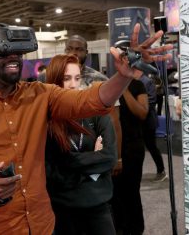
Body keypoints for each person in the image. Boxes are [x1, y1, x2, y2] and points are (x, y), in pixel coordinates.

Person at [0, 22, 172, 234]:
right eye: (1, 52)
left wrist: (124, 74)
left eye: (17, 52)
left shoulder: (40, 94)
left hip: (41, 225)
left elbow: (91, 100)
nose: (13, 58)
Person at [45, 54, 117, 235]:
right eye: (66, 79)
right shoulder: (46, 121)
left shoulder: (95, 112)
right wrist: (93, 160)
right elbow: (50, 171)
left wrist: (68, 163)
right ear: (54, 80)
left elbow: (109, 157)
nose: (73, 85)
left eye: (77, 78)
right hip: (63, 209)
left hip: (98, 204)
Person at [65, 35, 122, 175]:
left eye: (79, 49)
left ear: (86, 53)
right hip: (62, 153)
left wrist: (118, 157)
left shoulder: (100, 80)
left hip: (94, 152)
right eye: (70, 49)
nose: (74, 53)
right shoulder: (52, 79)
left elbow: (114, 121)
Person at [118, 78, 148, 235]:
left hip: (133, 147)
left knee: (131, 191)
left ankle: (136, 229)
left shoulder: (137, 85)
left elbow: (142, 113)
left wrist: (124, 89)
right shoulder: (110, 84)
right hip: (115, 148)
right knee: (116, 193)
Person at [133, 69, 167, 182]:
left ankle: (161, 171)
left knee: (152, 146)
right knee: (139, 148)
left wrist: (137, 103)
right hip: (138, 121)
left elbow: (152, 100)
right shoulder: (134, 80)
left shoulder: (147, 81)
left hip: (148, 121)